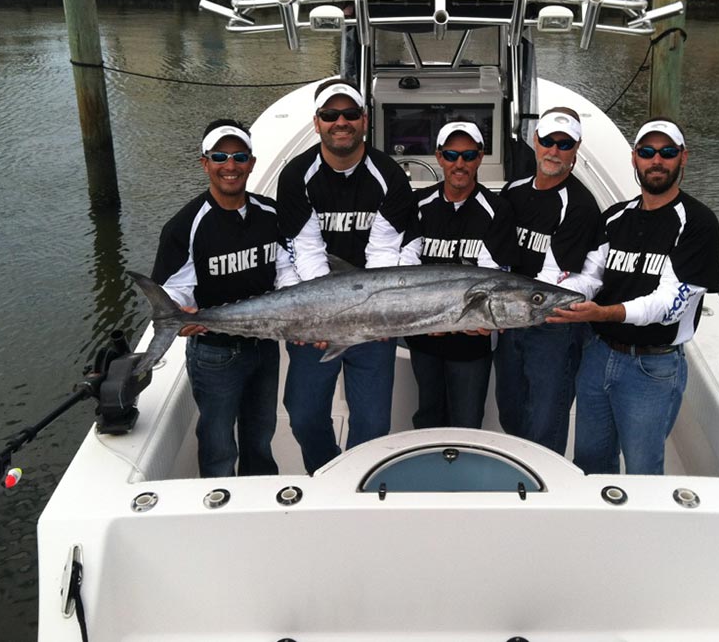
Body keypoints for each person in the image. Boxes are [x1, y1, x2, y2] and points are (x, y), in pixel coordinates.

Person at [548, 117, 719, 475]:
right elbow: (590, 277)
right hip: (598, 356)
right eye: (647, 152)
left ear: (683, 158)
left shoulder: (698, 224)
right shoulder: (614, 218)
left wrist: (602, 313)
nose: (656, 160)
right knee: (591, 464)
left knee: (643, 470)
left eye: (667, 152)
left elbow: (670, 304)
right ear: (634, 159)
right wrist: (548, 296)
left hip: (652, 368)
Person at [276, 79, 414, 474]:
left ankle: (357, 483)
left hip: (374, 315)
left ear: (365, 121)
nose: (341, 122)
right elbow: (306, 251)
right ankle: (327, 473)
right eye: (330, 115)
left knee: (372, 424)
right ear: (316, 123)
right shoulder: (296, 176)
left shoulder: (389, 174)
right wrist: (326, 315)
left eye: (350, 114)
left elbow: (384, 253)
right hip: (314, 309)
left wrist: (372, 316)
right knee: (302, 416)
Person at [151, 119, 290, 478]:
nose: (230, 166)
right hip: (215, 352)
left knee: (260, 437)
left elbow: (286, 270)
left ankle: (258, 500)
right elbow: (173, 287)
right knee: (218, 445)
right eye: (220, 156)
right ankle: (218, 504)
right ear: (205, 163)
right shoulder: (185, 226)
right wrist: (179, 310)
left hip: (265, 344)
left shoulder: (271, 214)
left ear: (252, 163)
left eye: (239, 156)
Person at [495, 107, 603, 455]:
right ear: (534, 141)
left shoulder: (580, 206)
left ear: (576, 149)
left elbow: (553, 280)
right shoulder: (512, 191)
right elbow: (497, 254)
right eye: (547, 141)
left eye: (564, 144)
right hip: (512, 320)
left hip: (552, 326)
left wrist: (505, 308)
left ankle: (544, 492)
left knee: (545, 421)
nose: (554, 151)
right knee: (510, 410)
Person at [399, 122, 519, 429]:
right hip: (424, 336)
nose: (459, 164)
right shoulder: (418, 205)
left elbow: (491, 276)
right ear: (439, 157)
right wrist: (429, 318)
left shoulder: (497, 210)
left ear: (480, 157)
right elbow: (406, 264)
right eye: (451, 155)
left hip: (471, 343)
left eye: (468, 155)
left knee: (466, 421)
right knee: (427, 414)